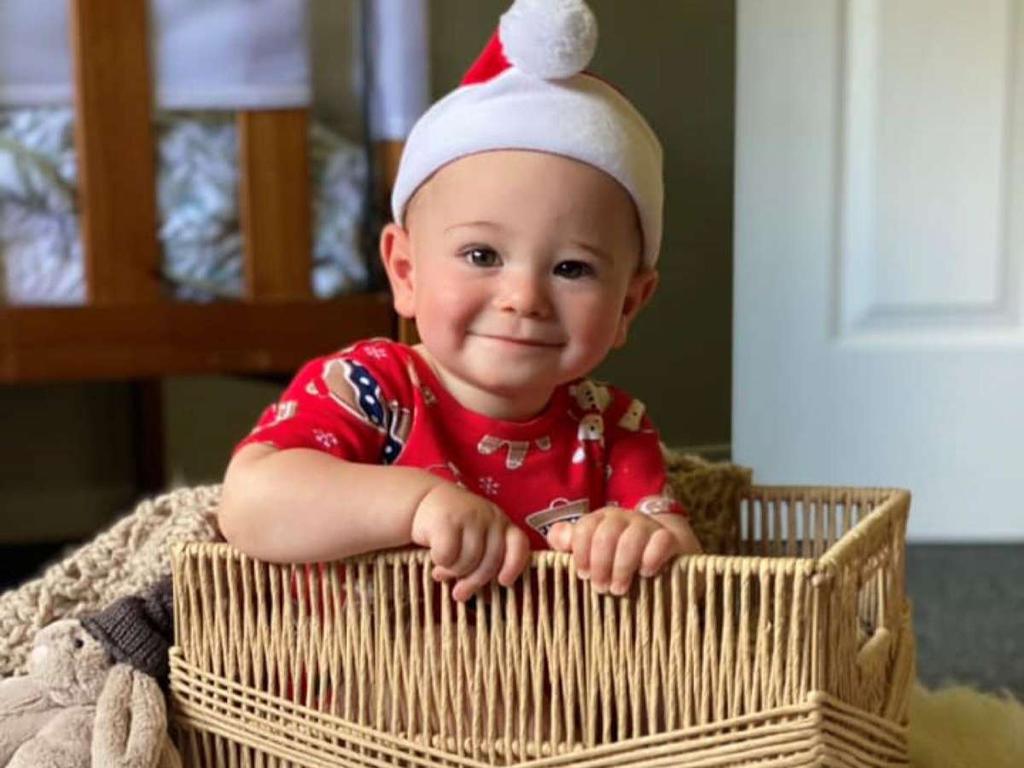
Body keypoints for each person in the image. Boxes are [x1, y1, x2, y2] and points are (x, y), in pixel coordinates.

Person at [218, 0, 702, 603]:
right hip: (347, 684)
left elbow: (686, 567)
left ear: (629, 304)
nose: (524, 298)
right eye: (482, 256)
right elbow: (248, 504)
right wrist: (416, 504)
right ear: (405, 271)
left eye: (572, 268)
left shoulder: (612, 427)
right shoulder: (370, 389)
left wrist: (642, 540)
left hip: (532, 690)